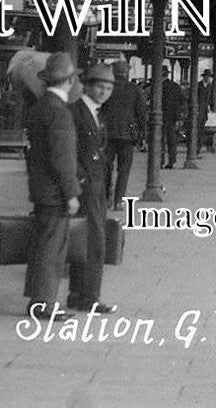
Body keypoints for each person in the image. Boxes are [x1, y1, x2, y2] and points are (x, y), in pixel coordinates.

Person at [23, 52, 82, 319]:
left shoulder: (38, 108)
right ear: (69, 81)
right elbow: (63, 160)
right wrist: (71, 193)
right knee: (52, 250)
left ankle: (37, 300)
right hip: (55, 192)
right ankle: (44, 304)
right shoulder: (60, 113)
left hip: (40, 188)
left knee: (41, 247)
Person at [67, 63, 116, 314]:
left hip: (96, 186)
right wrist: (81, 177)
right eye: (99, 87)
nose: (104, 92)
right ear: (87, 86)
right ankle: (90, 296)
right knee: (94, 241)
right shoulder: (76, 111)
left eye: (108, 88)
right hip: (86, 185)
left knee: (82, 239)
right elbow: (69, 149)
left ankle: (77, 292)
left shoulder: (96, 112)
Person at [102, 60, 147, 209]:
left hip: (108, 134)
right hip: (128, 135)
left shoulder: (107, 88)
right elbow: (141, 114)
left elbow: (100, 110)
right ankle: (119, 201)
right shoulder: (134, 90)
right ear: (126, 73)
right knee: (124, 170)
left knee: (106, 167)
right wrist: (141, 135)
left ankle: (106, 198)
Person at [160, 67, 185, 169]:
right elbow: (182, 100)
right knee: (172, 140)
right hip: (172, 118)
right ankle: (172, 161)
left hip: (160, 117)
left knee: (160, 140)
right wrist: (179, 116)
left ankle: (160, 161)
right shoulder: (175, 86)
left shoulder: (158, 85)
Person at [196, 69, 216, 153]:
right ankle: (197, 148)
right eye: (207, 77)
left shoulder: (211, 87)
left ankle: (200, 147)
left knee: (202, 130)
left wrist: (212, 108)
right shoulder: (198, 85)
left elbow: (212, 99)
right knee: (198, 130)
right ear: (204, 77)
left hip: (206, 111)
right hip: (198, 110)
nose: (208, 79)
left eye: (209, 77)